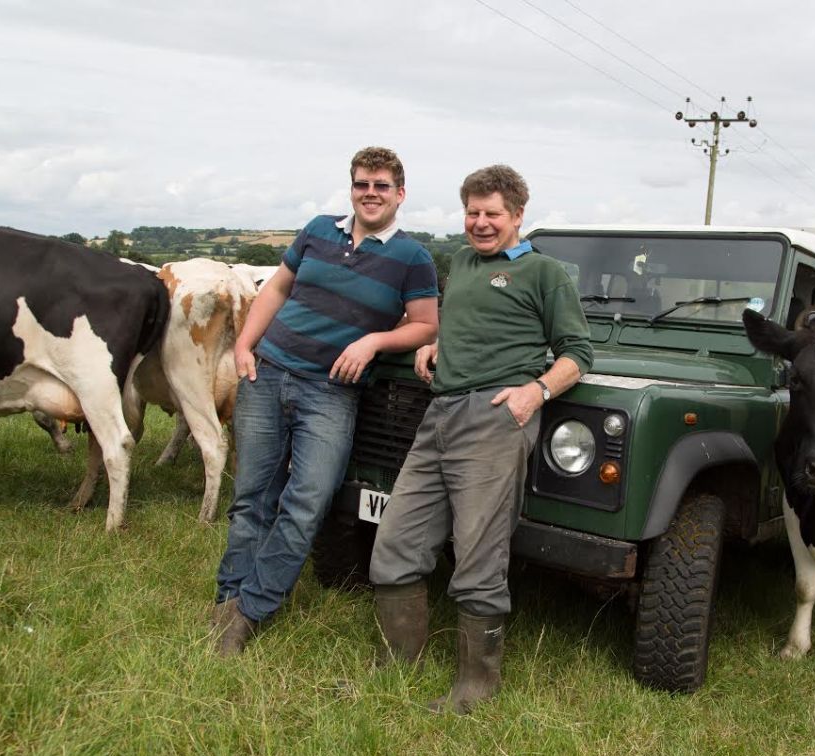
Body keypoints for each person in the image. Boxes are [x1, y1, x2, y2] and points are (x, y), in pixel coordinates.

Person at [369, 164, 594, 713]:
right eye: (472, 212)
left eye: (493, 213)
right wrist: (436, 345)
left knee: (478, 553)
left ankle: (476, 686)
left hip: (494, 418)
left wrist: (535, 392)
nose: (480, 223)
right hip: (439, 415)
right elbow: (464, 321)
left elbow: (579, 353)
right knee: (396, 541)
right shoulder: (464, 261)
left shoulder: (543, 272)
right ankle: (397, 663)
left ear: (517, 215)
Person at [212, 146, 439, 656]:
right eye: (362, 184)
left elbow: (427, 324)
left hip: (331, 393)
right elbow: (277, 288)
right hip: (268, 374)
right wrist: (244, 344)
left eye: (381, 186)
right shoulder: (318, 229)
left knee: (307, 504)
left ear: (400, 194)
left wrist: (373, 341)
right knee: (252, 499)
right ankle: (228, 600)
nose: (370, 193)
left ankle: (251, 609)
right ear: (352, 188)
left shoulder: (413, 258)